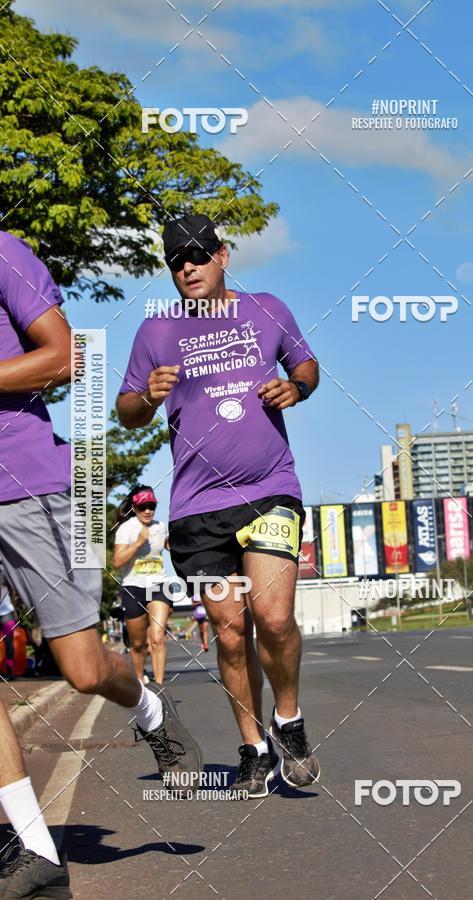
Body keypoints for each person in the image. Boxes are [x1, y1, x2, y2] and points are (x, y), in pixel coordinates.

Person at [0, 230, 202, 898]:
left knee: (82, 668)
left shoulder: (3, 251)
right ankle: (32, 854)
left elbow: (65, 357)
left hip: (32, 484)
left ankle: (148, 709)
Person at [117, 213, 320, 799]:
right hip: (200, 510)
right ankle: (253, 748)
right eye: (177, 260)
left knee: (274, 618)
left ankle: (290, 722)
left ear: (222, 256)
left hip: (269, 490)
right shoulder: (156, 331)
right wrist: (146, 398)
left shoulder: (268, 309)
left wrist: (296, 388)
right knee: (230, 634)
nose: (189, 267)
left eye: (199, 255)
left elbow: (304, 364)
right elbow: (126, 409)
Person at [113, 485, 172, 684]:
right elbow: (117, 561)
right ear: (134, 508)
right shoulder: (126, 529)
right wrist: (137, 543)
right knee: (138, 644)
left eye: (151, 506)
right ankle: (139, 679)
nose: (148, 511)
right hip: (133, 588)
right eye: (142, 507)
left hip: (159, 585)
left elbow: (172, 547)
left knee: (157, 637)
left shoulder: (160, 526)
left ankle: (160, 686)